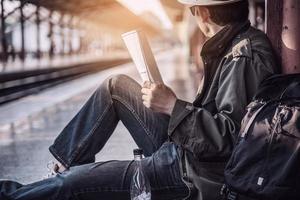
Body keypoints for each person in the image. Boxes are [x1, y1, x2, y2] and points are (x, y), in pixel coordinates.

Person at [0, 0, 279, 199]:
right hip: (188, 152)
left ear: (202, 13)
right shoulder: (233, 44)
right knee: (116, 86)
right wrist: (171, 104)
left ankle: (23, 191)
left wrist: (173, 106)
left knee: (73, 184)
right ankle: (62, 166)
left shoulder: (244, 55)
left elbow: (233, 141)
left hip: (193, 174)